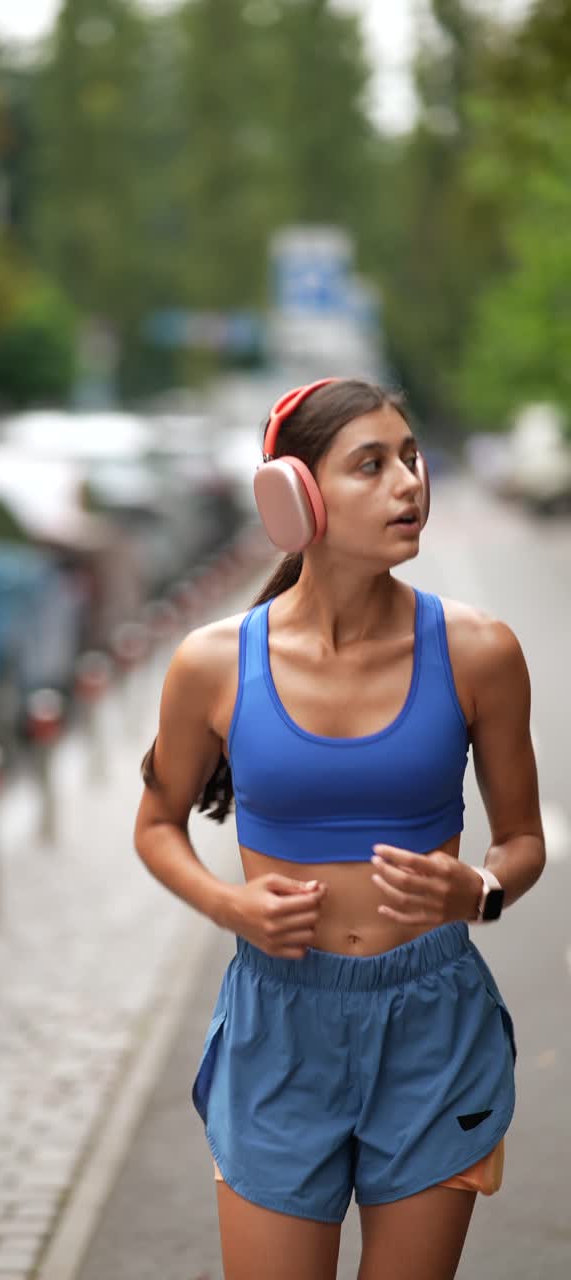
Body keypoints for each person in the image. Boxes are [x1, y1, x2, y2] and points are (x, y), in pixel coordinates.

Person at [133, 378, 545, 1280]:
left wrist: (476, 889)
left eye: (410, 457)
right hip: (278, 1027)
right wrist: (228, 905)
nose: (410, 483)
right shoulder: (213, 663)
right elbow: (158, 824)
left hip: (435, 1024)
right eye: (372, 464)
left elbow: (522, 840)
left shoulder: (480, 651)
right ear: (295, 498)